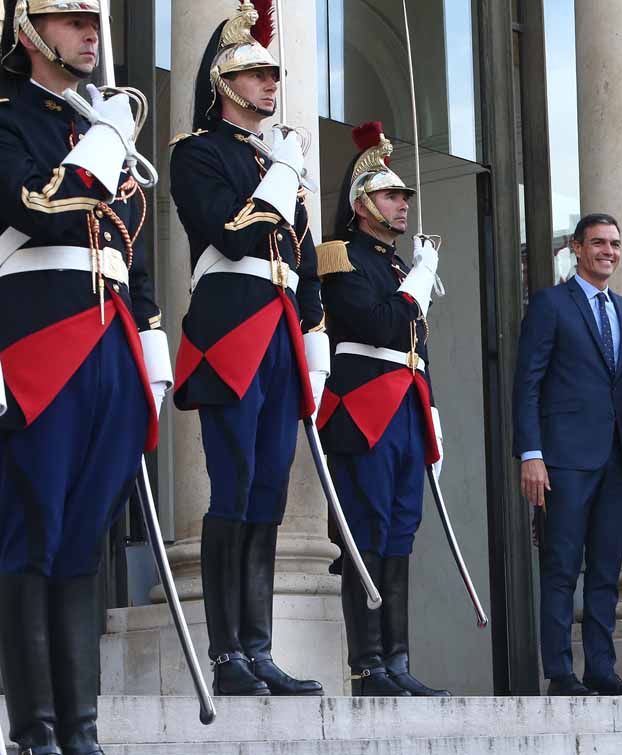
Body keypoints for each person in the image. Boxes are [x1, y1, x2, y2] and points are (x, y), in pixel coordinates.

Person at [0, 1, 171, 752]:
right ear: (31, 32)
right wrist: (102, 144)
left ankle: (83, 729)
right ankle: (35, 729)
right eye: (72, 22)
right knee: (27, 534)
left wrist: (151, 352)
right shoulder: (10, 116)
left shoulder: (97, 126)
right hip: (39, 342)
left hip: (108, 345)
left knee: (84, 538)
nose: (91, 34)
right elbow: (35, 208)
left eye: (93, 21)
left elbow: (131, 251)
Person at [168, 1, 325, 697]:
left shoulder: (276, 160)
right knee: (232, 487)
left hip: (281, 335)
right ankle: (226, 653)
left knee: (268, 492)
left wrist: (316, 344)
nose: (271, 85)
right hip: (231, 331)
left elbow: (305, 263)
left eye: (273, 75)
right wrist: (283, 175)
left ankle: (258, 648)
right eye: (257, 74)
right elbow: (231, 234)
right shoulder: (196, 153)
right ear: (224, 82)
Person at [315, 121, 449, 697]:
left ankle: (396, 659)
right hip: (363, 408)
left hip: (406, 408)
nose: (402, 206)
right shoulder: (338, 255)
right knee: (365, 534)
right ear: (362, 201)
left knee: (400, 534)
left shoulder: (397, 267)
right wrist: (418, 281)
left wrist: (433, 409)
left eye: (402, 197)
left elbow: (417, 347)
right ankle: (367, 664)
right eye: (392, 195)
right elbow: (375, 323)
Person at [513, 212, 622, 696]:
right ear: (576, 247)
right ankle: (560, 673)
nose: (608, 251)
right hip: (564, 460)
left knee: (607, 570)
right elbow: (527, 382)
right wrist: (531, 453)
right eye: (597, 243)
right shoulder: (551, 303)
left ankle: (601, 669)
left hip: (615, 461)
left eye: (614, 243)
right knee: (561, 566)